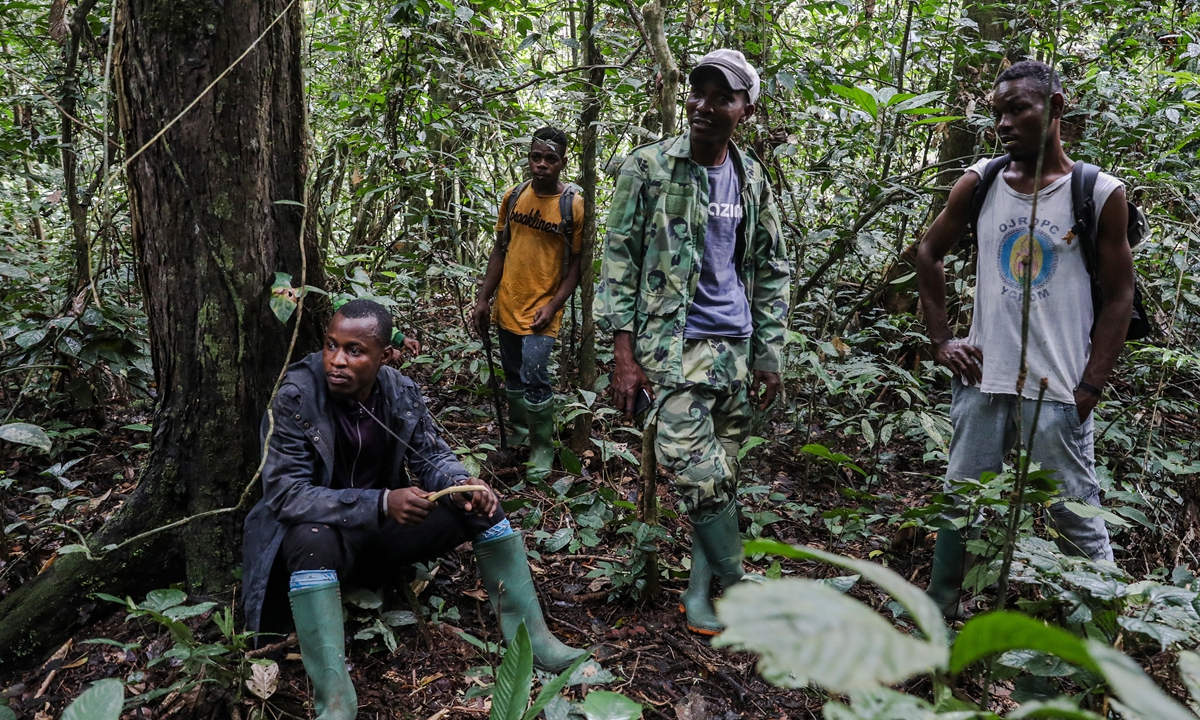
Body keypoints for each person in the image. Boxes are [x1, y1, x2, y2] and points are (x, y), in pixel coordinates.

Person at [242, 300, 583, 720]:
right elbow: (285, 495)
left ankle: (533, 639)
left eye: (354, 350)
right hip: (322, 540)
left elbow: (431, 458)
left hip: (382, 531)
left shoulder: (399, 390)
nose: (337, 360)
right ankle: (335, 699)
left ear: (384, 356)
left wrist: (461, 483)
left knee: (481, 506)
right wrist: (382, 502)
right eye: (331, 346)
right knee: (310, 537)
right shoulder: (296, 395)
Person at [915, 60, 1134, 618]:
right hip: (984, 379)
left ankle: (1103, 633)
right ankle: (938, 616)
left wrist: (1091, 384)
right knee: (961, 505)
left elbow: (1119, 295)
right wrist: (943, 341)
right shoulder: (981, 182)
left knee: (1075, 516)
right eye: (998, 114)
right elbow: (928, 253)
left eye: (1018, 110)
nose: (1004, 124)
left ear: (1055, 108)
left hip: (1058, 389)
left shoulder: (1099, 192)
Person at [595, 49, 791, 636]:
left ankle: (701, 591)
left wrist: (769, 354)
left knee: (723, 476)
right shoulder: (649, 167)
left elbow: (771, 264)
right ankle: (739, 585)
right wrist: (623, 353)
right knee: (697, 473)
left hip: (735, 347)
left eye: (721, 96)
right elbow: (618, 258)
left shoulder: (751, 176)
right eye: (697, 92)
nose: (703, 106)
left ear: (746, 109)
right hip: (672, 348)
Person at [471, 127, 584, 481]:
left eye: (550, 159)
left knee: (536, 374)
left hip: (542, 311)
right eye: (536, 157)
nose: (541, 164)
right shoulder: (514, 197)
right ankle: (519, 436)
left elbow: (578, 265)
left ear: (563, 162)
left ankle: (541, 446)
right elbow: (499, 250)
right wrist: (483, 298)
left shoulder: (574, 206)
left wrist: (553, 306)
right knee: (513, 375)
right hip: (508, 303)